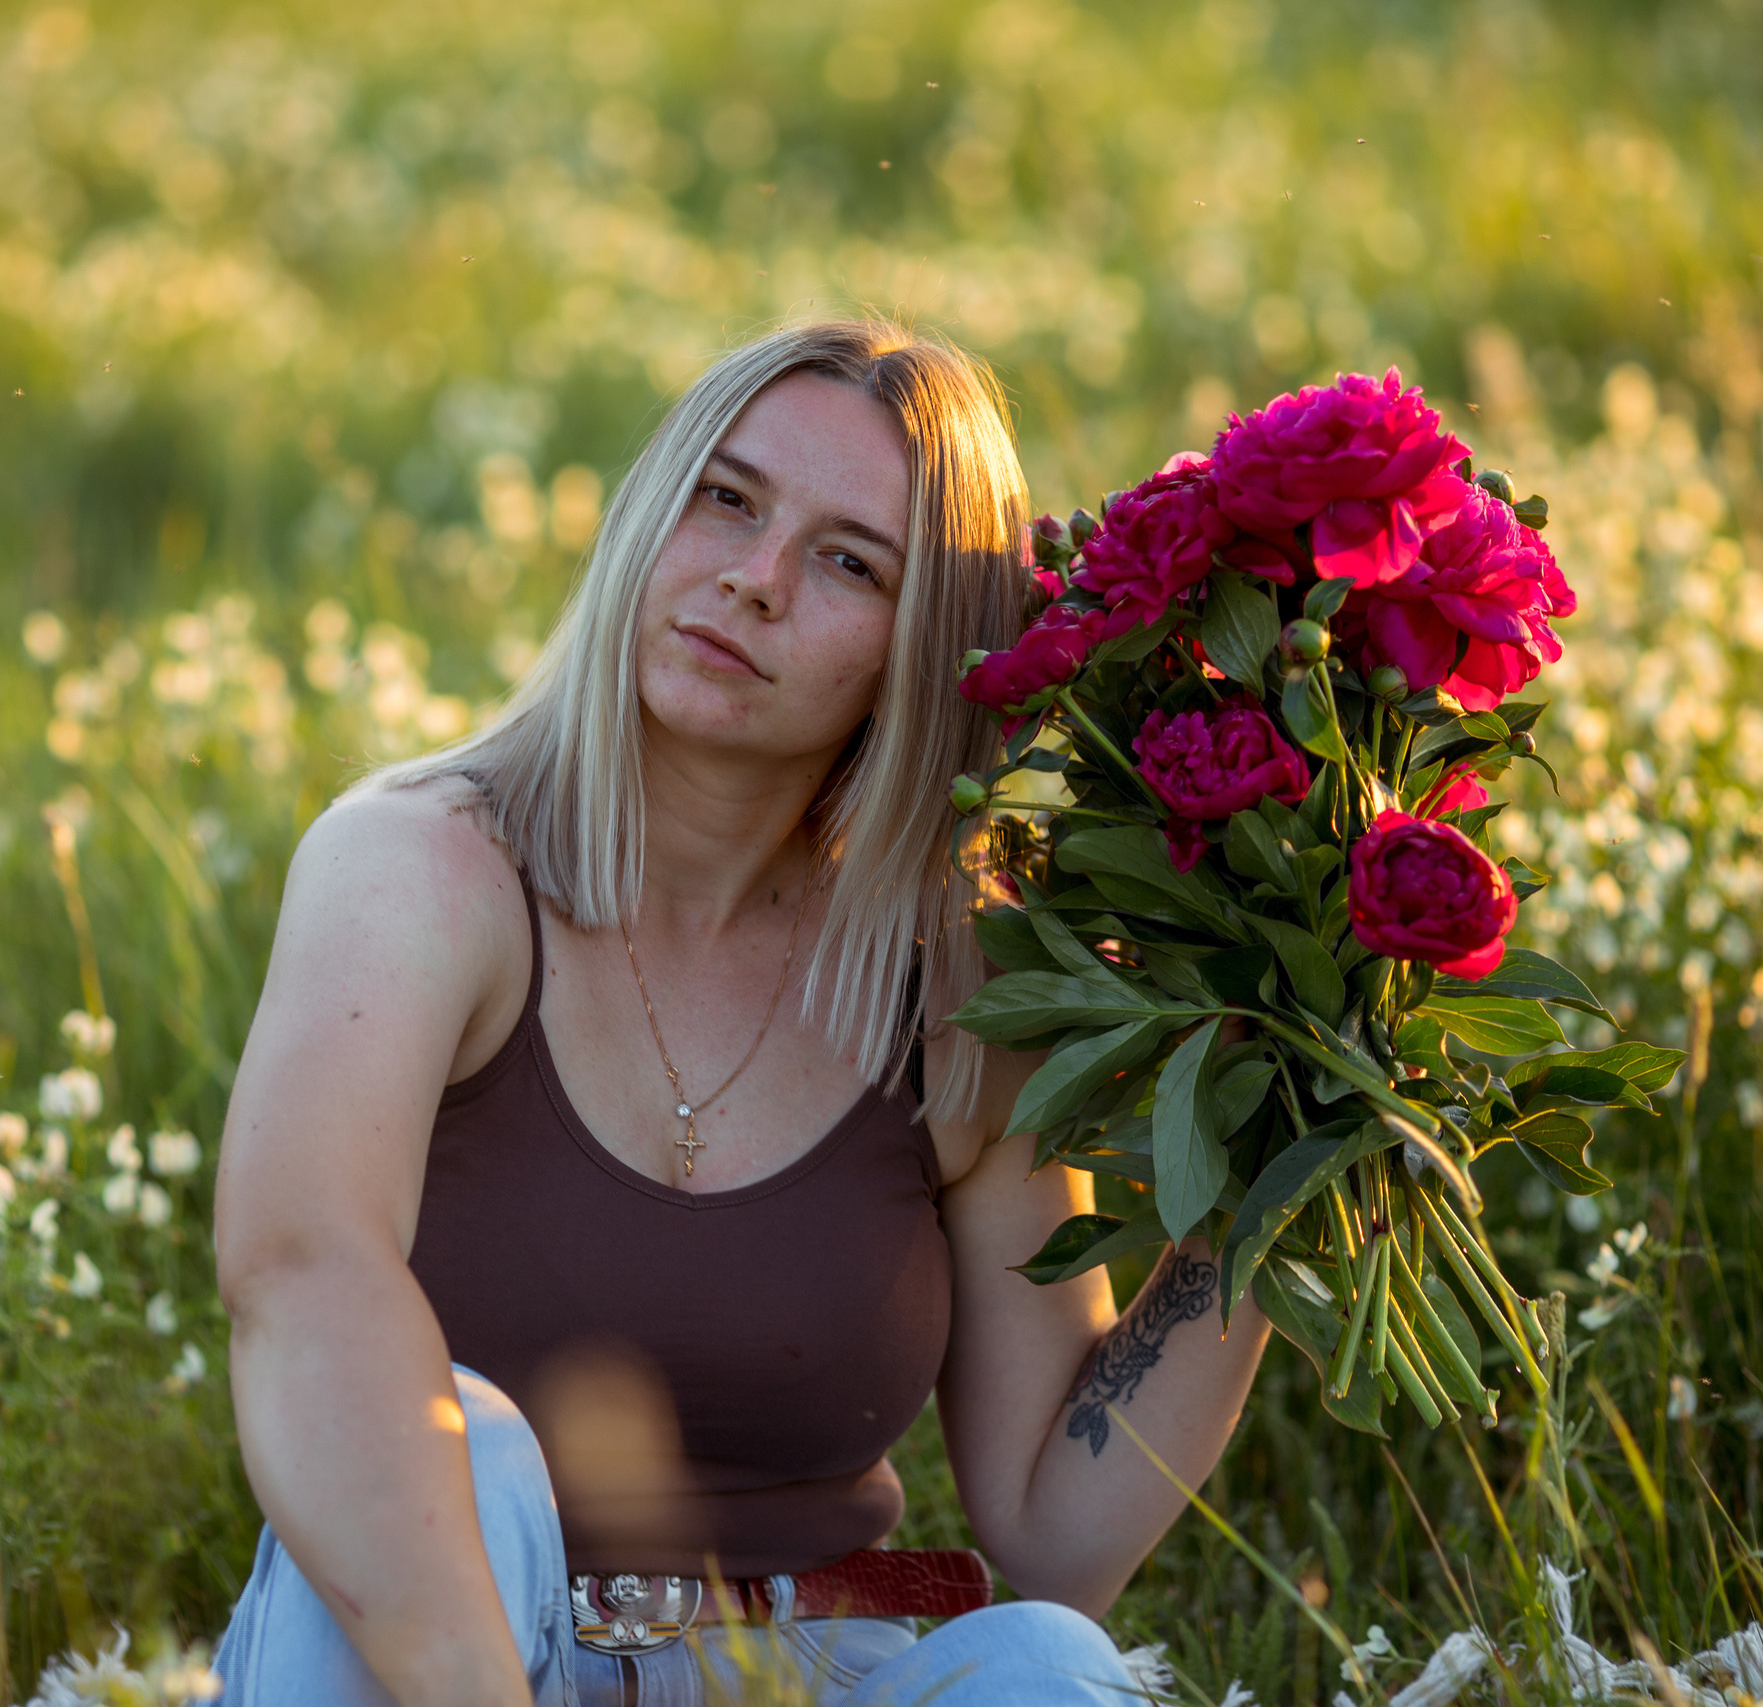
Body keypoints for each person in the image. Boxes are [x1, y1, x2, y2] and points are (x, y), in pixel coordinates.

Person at [211, 320, 1271, 1706]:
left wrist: (1276, 1177)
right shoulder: (419, 866)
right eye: (727, 498)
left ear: (928, 648)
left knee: (1053, 1667)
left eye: (849, 563)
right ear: (653, 507)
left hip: (808, 1663)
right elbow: (301, 1275)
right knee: (454, 1436)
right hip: (437, 1656)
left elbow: (1049, 1534)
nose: (753, 581)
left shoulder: (957, 982)